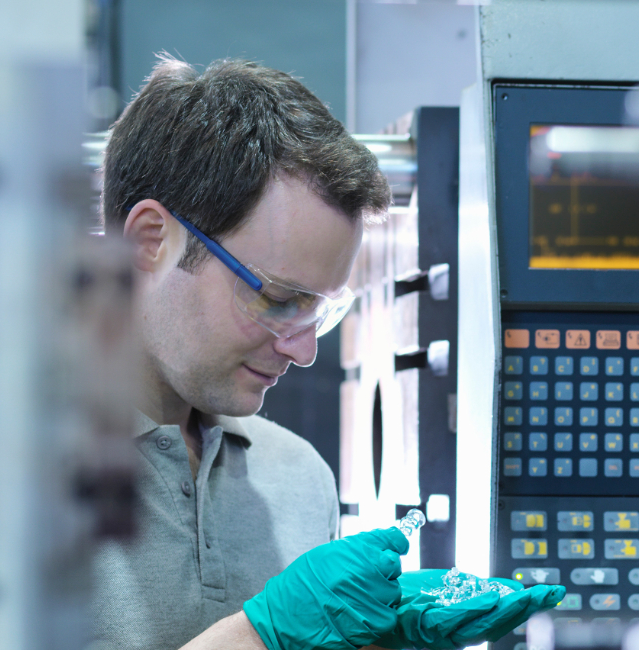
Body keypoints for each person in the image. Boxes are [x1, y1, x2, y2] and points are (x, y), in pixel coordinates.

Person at [94, 56, 551, 650]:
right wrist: (260, 636)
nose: (305, 350)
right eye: (280, 298)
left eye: (319, 310)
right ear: (152, 243)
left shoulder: (297, 478)